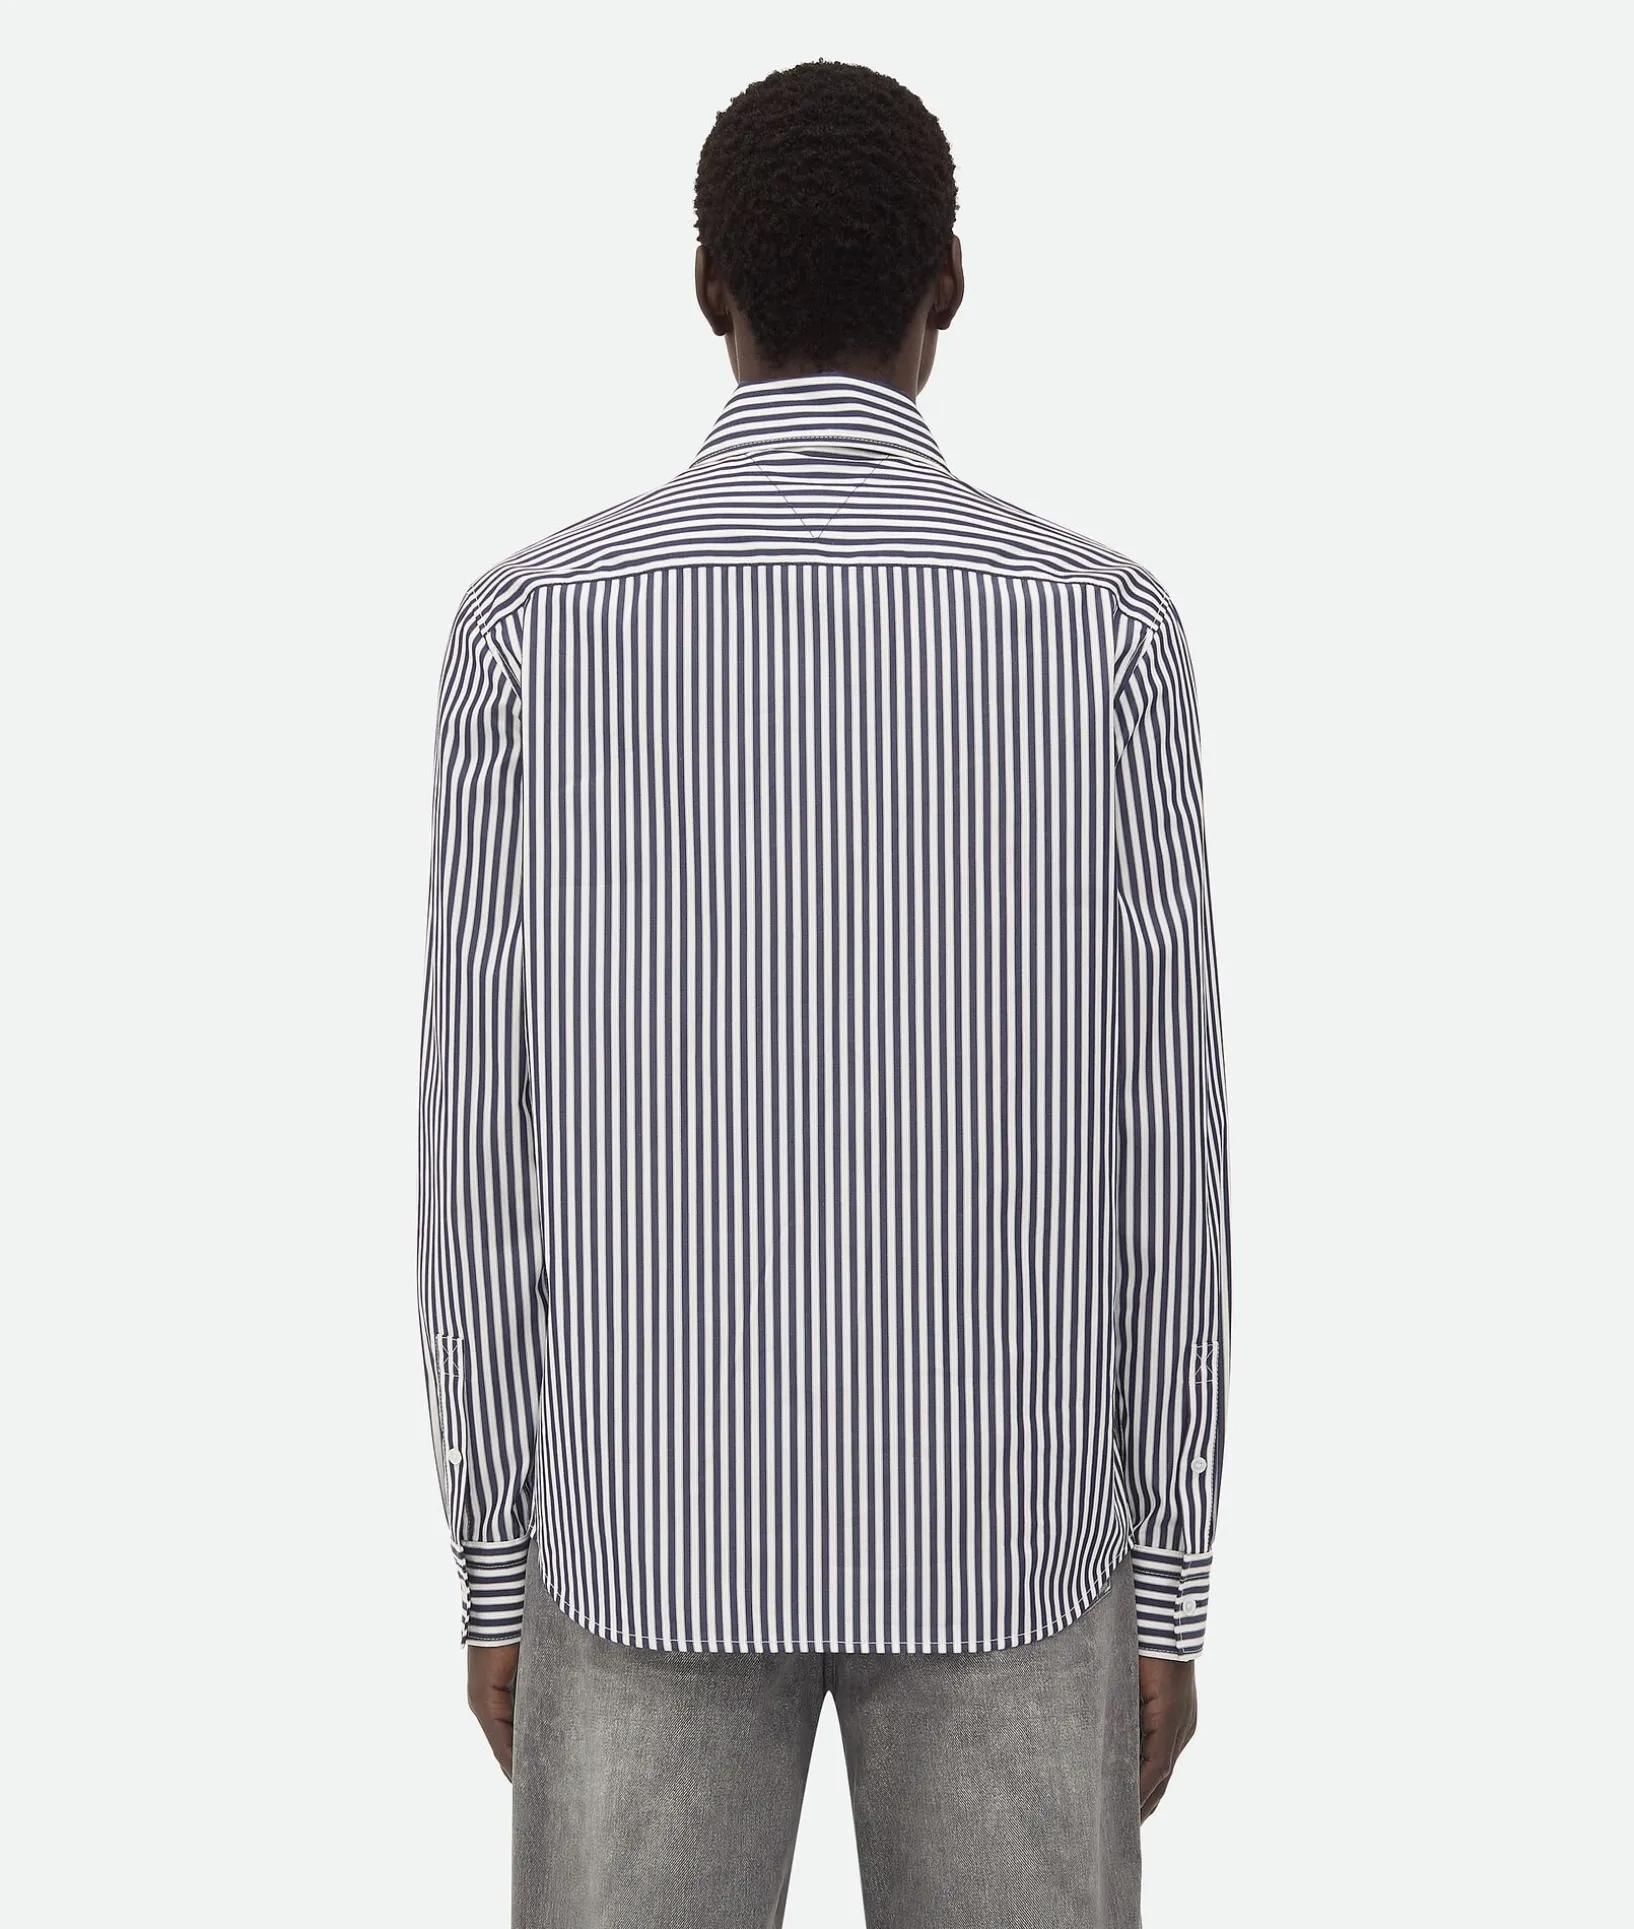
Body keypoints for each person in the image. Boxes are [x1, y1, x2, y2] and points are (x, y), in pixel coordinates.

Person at [417, 56, 1232, 1929]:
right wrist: (1171, 1573)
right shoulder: (1100, 631)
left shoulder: (530, 631)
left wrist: (494, 1554)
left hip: (638, 1544)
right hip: (1012, 1545)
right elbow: (1168, 1136)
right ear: (949, 287)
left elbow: (477, 1131)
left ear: (708, 292)